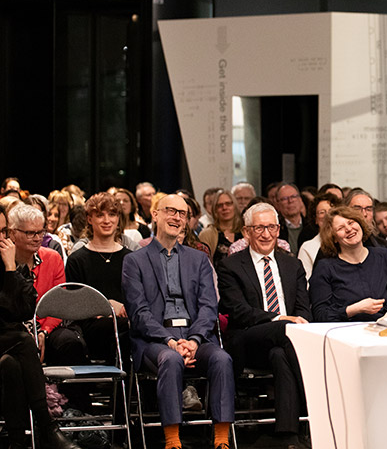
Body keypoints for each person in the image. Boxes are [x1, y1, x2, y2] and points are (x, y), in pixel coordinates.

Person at [122, 194, 234, 449]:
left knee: (222, 359)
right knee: (171, 360)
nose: (176, 217)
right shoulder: (134, 261)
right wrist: (170, 340)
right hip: (155, 339)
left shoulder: (198, 260)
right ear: (156, 214)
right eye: (170, 211)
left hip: (195, 335)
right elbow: (138, 312)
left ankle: (222, 440)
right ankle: (173, 441)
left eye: (182, 214)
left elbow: (208, 307)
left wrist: (194, 340)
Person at [217, 202, 311, 448]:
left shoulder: (293, 265)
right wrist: (279, 319)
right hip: (248, 340)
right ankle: (317, 404)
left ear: (279, 229)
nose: (266, 234)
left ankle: (288, 435)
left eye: (271, 227)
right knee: (285, 332)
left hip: (287, 342)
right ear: (246, 232)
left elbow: (304, 309)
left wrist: (293, 322)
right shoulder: (231, 266)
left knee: (280, 354)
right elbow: (238, 311)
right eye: (259, 228)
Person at [0, 206, 81, 449]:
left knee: (10, 365)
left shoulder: (9, 263)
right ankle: (47, 428)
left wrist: (11, 269)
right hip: (13, 338)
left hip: (8, 342)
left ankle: (17, 441)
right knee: (24, 341)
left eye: (3, 231)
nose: (2, 239)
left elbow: (25, 309)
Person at [51, 193, 131, 371]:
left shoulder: (130, 258)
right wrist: (105, 307)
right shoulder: (77, 259)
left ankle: (122, 394)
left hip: (125, 325)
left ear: (118, 219)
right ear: (89, 219)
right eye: (100, 215)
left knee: (130, 332)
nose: (107, 220)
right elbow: (72, 304)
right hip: (89, 328)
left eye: (112, 214)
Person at [309, 206, 387, 322]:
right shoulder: (325, 268)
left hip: (384, 330)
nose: (348, 229)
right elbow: (320, 314)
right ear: (334, 238)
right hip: (344, 332)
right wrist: (354, 309)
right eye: (340, 228)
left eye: (351, 222)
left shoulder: (383, 255)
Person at [7, 204, 66, 360]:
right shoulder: (5, 263)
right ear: (12, 234)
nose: (38, 238)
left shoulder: (53, 258)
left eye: (41, 232)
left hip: (48, 326)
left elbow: (59, 305)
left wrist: (44, 331)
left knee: (69, 342)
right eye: (30, 233)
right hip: (15, 329)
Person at [297, 192, 339, 281]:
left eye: (331, 211)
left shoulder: (347, 241)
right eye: (322, 212)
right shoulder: (307, 247)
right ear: (315, 219)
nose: (327, 215)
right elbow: (306, 283)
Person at [198, 189, 244, 267]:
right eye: (220, 205)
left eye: (228, 204)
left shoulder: (245, 231)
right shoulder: (207, 234)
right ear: (215, 210)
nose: (224, 208)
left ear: (235, 206)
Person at [275, 183, 306, 256]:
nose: (290, 201)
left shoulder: (312, 227)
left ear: (300, 200)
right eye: (284, 199)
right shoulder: (275, 230)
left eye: (293, 196)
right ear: (278, 204)